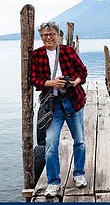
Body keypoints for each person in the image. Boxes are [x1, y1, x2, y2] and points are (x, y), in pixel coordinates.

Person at [30, 21, 88, 197]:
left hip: (72, 101)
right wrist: (51, 83)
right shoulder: (37, 54)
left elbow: (83, 72)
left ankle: (79, 174)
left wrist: (73, 82)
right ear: (41, 37)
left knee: (80, 141)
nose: (48, 37)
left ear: (58, 36)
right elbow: (34, 79)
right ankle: (53, 182)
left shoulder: (68, 51)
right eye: (44, 35)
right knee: (50, 145)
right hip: (52, 106)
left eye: (51, 34)